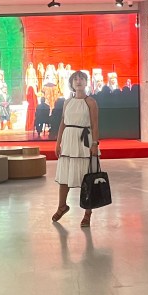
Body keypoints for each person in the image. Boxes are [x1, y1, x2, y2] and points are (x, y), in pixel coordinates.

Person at [52, 70, 100, 228]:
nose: (78, 81)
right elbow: (63, 123)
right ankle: (62, 206)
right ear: (72, 83)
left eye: (81, 79)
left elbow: (95, 125)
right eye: (75, 79)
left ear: (86, 82)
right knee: (64, 175)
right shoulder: (67, 102)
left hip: (84, 142)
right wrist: (58, 143)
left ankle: (87, 213)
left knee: (87, 178)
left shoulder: (91, 102)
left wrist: (95, 144)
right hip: (68, 141)